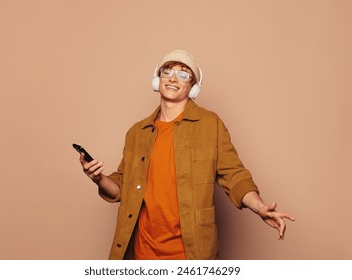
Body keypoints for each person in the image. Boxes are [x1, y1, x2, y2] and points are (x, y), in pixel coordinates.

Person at [78, 49, 295, 260]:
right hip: (143, 254)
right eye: (167, 71)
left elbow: (235, 175)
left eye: (183, 74)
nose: (173, 78)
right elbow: (121, 187)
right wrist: (98, 178)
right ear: (157, 78)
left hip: (192, 255)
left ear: (192, 86)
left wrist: (260, 208)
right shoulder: (137, 132)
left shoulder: (210, 125)